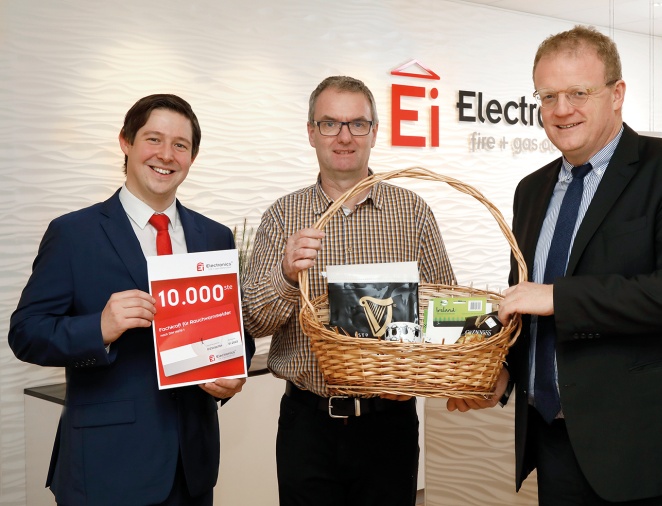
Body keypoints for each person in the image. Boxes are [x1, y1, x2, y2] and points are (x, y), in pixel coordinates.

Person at [448, 26, 662, 505]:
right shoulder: (531, 190)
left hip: (647, 448)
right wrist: (498, 373)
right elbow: (523, 306)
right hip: (553, 440)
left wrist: (558, 296)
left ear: (617, 94)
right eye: (549, 95)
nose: (562, 109)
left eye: (579, 92)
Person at [9, 94, 253, 506]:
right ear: (126, 142)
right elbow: (26, 333)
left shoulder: (214, 237)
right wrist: (98, 328)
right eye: (153, 139)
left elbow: (234, 335)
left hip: (191, 468)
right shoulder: (74, 234)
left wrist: (234, 375)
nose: (166, 155)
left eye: (181, 145)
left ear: (192, 157)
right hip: (106, 467)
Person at [242, 75, 455, 506]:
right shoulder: (283, 216)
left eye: (357, 124)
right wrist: (285, 274)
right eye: (329, 124)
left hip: (389, 425)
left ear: (375, 133)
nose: (344, 136)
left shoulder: (412, 213)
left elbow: (447, 314)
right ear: (310, 132)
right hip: (308, 426)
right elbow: (252, 321)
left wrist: (415, 372)